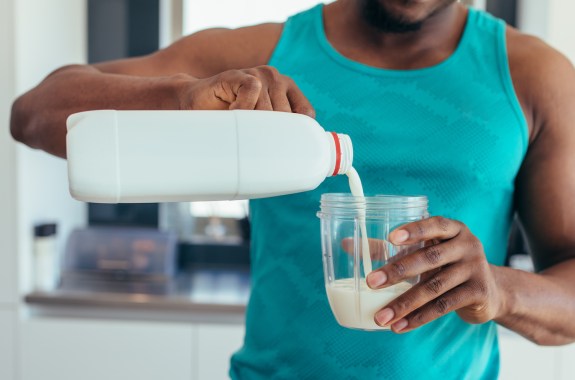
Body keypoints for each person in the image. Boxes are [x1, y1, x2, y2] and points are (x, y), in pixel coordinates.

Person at [10, 0, 575, 378]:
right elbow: (34, 112)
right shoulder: (261, 55)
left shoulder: (533, 77)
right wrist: (182, 96)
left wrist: (498, 290)